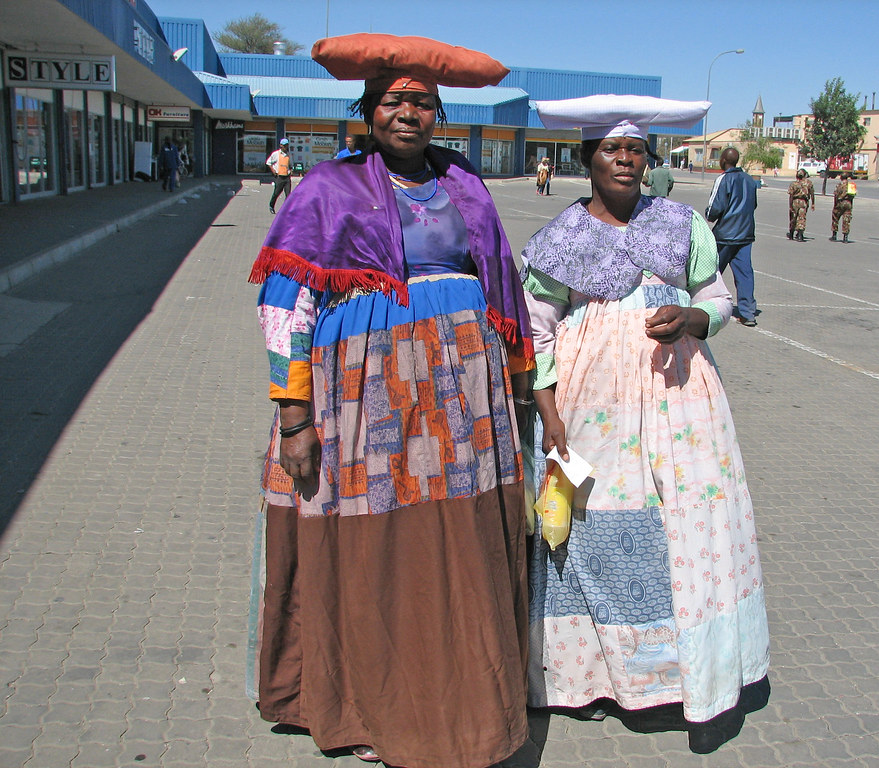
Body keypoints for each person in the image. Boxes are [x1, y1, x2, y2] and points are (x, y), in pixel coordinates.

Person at [248, 33, 534, 768]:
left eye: (423, 102)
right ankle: (370, 701)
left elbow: (500, 284)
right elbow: (287, 306)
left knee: (457, 545)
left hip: (463, 402)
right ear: (368, 111)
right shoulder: (327, 189)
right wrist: (294, 415)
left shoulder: (465, 184)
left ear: (439, 114)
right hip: (365, 402)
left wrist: (519, 381)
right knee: (379, 544)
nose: (409, 112)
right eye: (393, 100)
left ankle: (462, 697)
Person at [521, 94, 771, 756]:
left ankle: (669, 679)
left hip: (680, 403)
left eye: (636, 149)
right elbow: (536, 332)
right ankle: (593, 677)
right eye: (611, 149)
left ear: (647, 160)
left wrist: (693, 319)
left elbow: (718, 295)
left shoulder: (681, 225)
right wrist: (548, 417)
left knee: (679, 529)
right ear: (586, 160)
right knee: (593, 531)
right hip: (587, 408)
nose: (625, 160)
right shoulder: (560, 239)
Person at [706, 147, 758, 327]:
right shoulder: (750, 180)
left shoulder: (724, 179)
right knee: (745, 273)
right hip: (745, 233)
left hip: (726, 234)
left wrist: (710, 215)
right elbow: (754, 205)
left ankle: (702, 304)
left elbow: (715, 207)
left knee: (710, 269)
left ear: (723, 160)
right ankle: (748, 312)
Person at [787, 168, 815, 241]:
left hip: (795, 201)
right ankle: (800, 235)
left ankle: (791, 233)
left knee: (793, 217)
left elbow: (791, 196)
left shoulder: (793, 184)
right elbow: (812, 194)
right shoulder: (808, 183)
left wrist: (790, 206)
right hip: (804, 202)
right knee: (801, 218)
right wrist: (813, 203)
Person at [266, 138, 292, 214]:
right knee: (276, 193)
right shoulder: (276, 154)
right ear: (280, 146)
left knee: (288, 195)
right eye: (283, 145)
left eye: (286, 145)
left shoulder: (289, 155)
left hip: (287, 177)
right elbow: (268, 162)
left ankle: (285, 209)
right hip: (279, 177)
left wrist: (291, 170)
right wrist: (273, 170)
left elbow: (291, 165)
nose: (284, 147)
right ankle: (271, 205)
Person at [830, 171, 856, 243]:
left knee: (835, 217)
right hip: (848, 203)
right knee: (846, 220)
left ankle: (834, 235)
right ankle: (845, 237)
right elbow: (853, 196)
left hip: (840, 203)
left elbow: (836, 195)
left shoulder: (839, 185)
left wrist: (835, 205)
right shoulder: (851, 185)